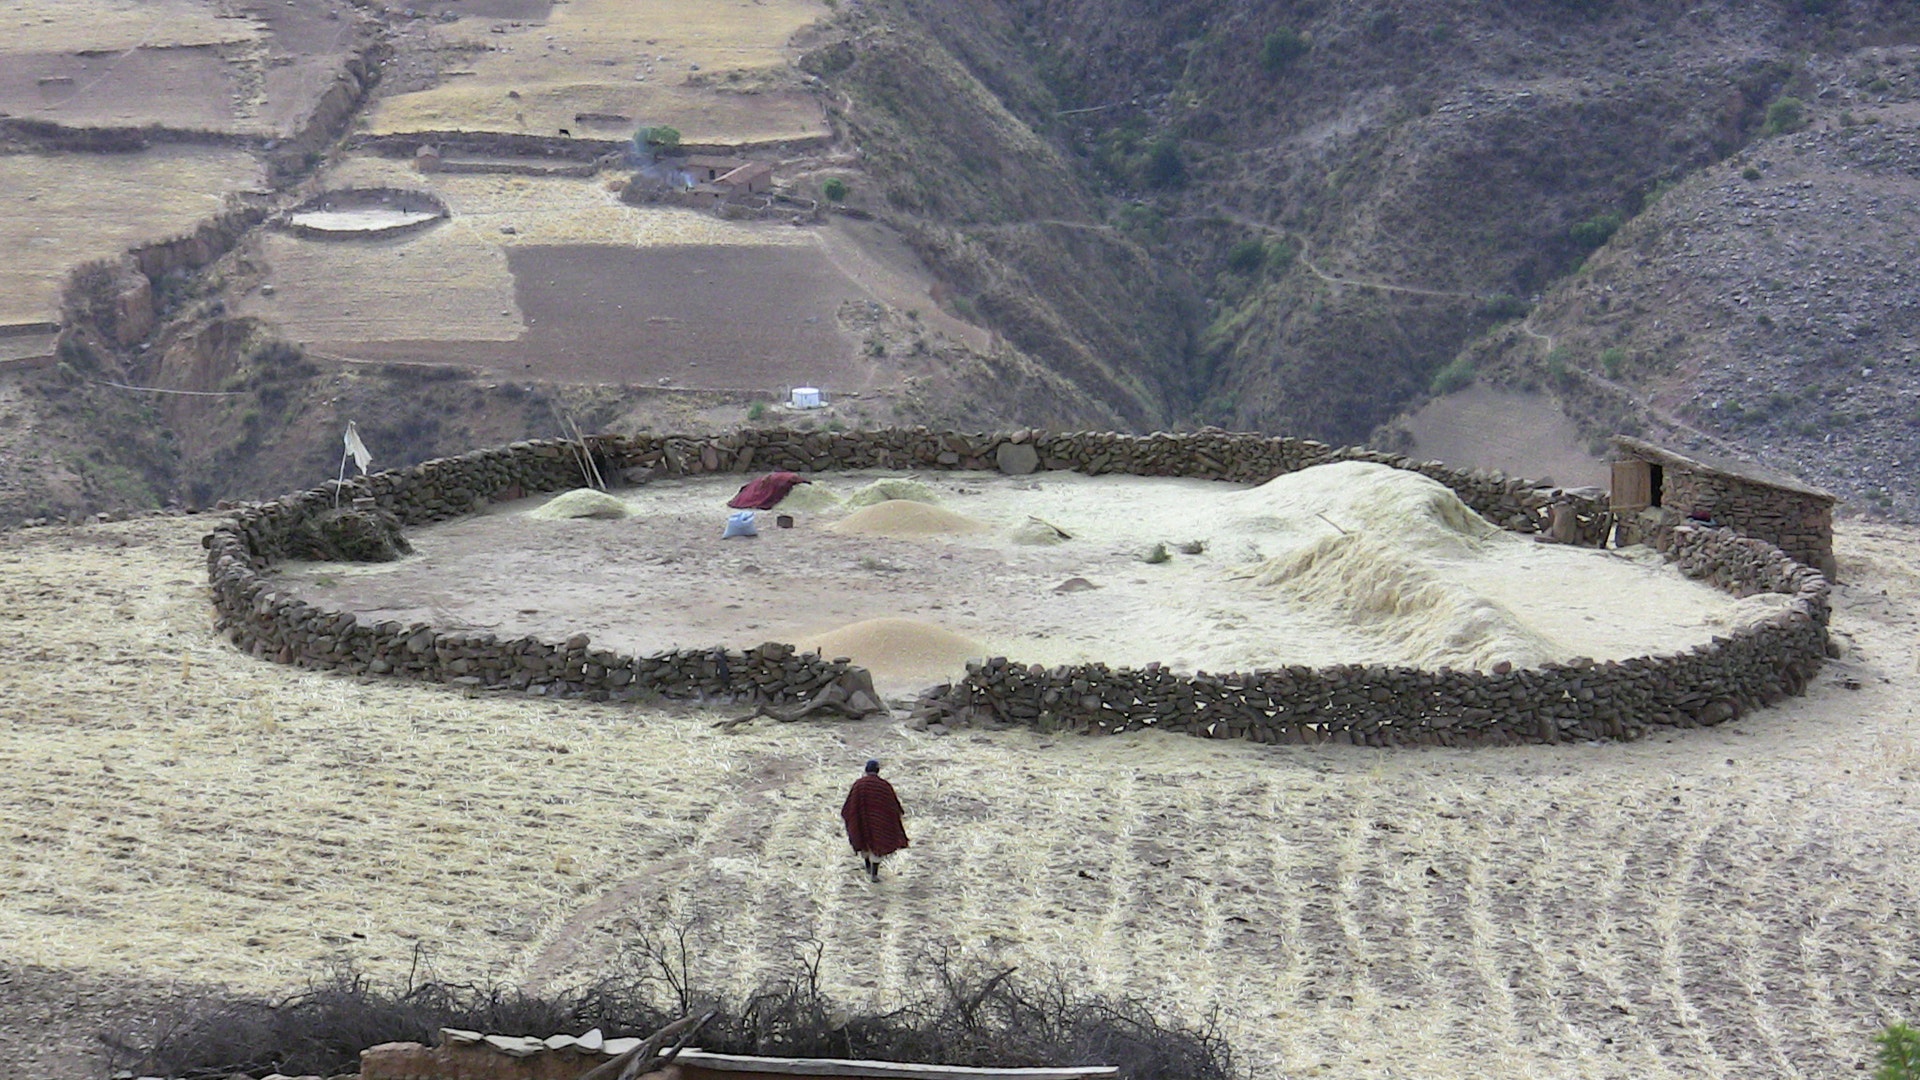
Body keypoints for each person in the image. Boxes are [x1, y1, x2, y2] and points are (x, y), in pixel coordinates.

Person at [841, 759, 909, 881]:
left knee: (863, 841)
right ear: (878, 770)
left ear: (866, 770)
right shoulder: (884, 786)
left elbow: (849, 806)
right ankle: (874, 874)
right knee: (878, 845)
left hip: (861, 819)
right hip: (879, 821)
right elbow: (892, 805)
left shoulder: (858, 785)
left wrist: (853, 818)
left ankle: (867, 866)